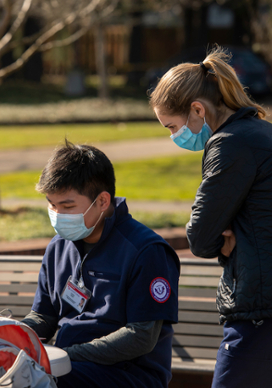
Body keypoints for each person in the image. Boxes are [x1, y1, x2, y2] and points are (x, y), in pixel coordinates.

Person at [149, 46, 272, 388]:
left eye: (172, 126)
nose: (173, 137)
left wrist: (228, 243)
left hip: (267, 309)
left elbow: (199, 237)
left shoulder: (230, 144)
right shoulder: (269, 133)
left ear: (198, 109)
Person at [21, 141, 180, 388]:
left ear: (103, 201)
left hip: (129, 374)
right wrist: (9, 336)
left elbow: (141, 336)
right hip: (68, 365)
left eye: (68, 206)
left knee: (38, 380)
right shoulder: (58, 246)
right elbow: (44, 315)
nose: (57, 214)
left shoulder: (146, 251)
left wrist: (66, 356)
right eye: (52, 204)